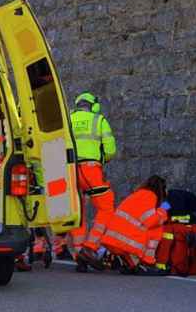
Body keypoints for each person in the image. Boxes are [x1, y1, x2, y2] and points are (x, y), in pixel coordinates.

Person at [67, 92, 117, 272]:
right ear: (94, 106)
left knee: (77, 211)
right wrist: (103, 158)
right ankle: (90, 247)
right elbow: (110, 150)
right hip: (90, 170)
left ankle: (79, 252)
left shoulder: (68, 119)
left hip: (70, 171)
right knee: (106, 207)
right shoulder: (99, 120)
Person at [100, 175, 170, 275]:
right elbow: (151, 221)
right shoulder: (150, 196)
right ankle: (147, 263)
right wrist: (163, 210)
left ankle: (131, 264)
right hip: (125, 243)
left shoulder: (138, 194)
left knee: (148, 228)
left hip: (113, 240)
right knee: (157, 228)